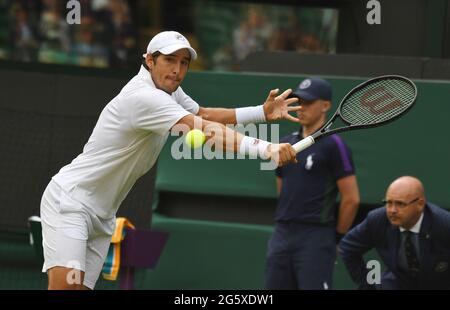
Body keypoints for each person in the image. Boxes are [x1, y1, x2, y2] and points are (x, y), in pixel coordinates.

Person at [40, 30, 301, 290]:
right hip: (72, 203)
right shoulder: (144, 97)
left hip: (103, 215)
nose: (177, 70)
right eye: (170, 60)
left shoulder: (169, 92)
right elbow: (203, 128)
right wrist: (265, 148)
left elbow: (205, 114)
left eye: (183, 63)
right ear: (150, 61)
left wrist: (261, 113)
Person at [265, 77, 360, 290]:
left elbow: (351, 199)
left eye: (308, 102)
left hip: (316, 237)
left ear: (325, 105)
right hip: (282, 233)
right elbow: (282, 185)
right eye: (299, 101)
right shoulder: (285, 143)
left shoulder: (335, 146)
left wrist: (336, 238)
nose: (301, 107)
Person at [339, 176, 450, 290]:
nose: (392, 210)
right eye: (389, 203)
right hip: (396, 283)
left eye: (400, 204)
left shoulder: (444, 224)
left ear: (420, 204)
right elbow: (348, 247)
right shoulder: (378, 220)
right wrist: (369, 284)